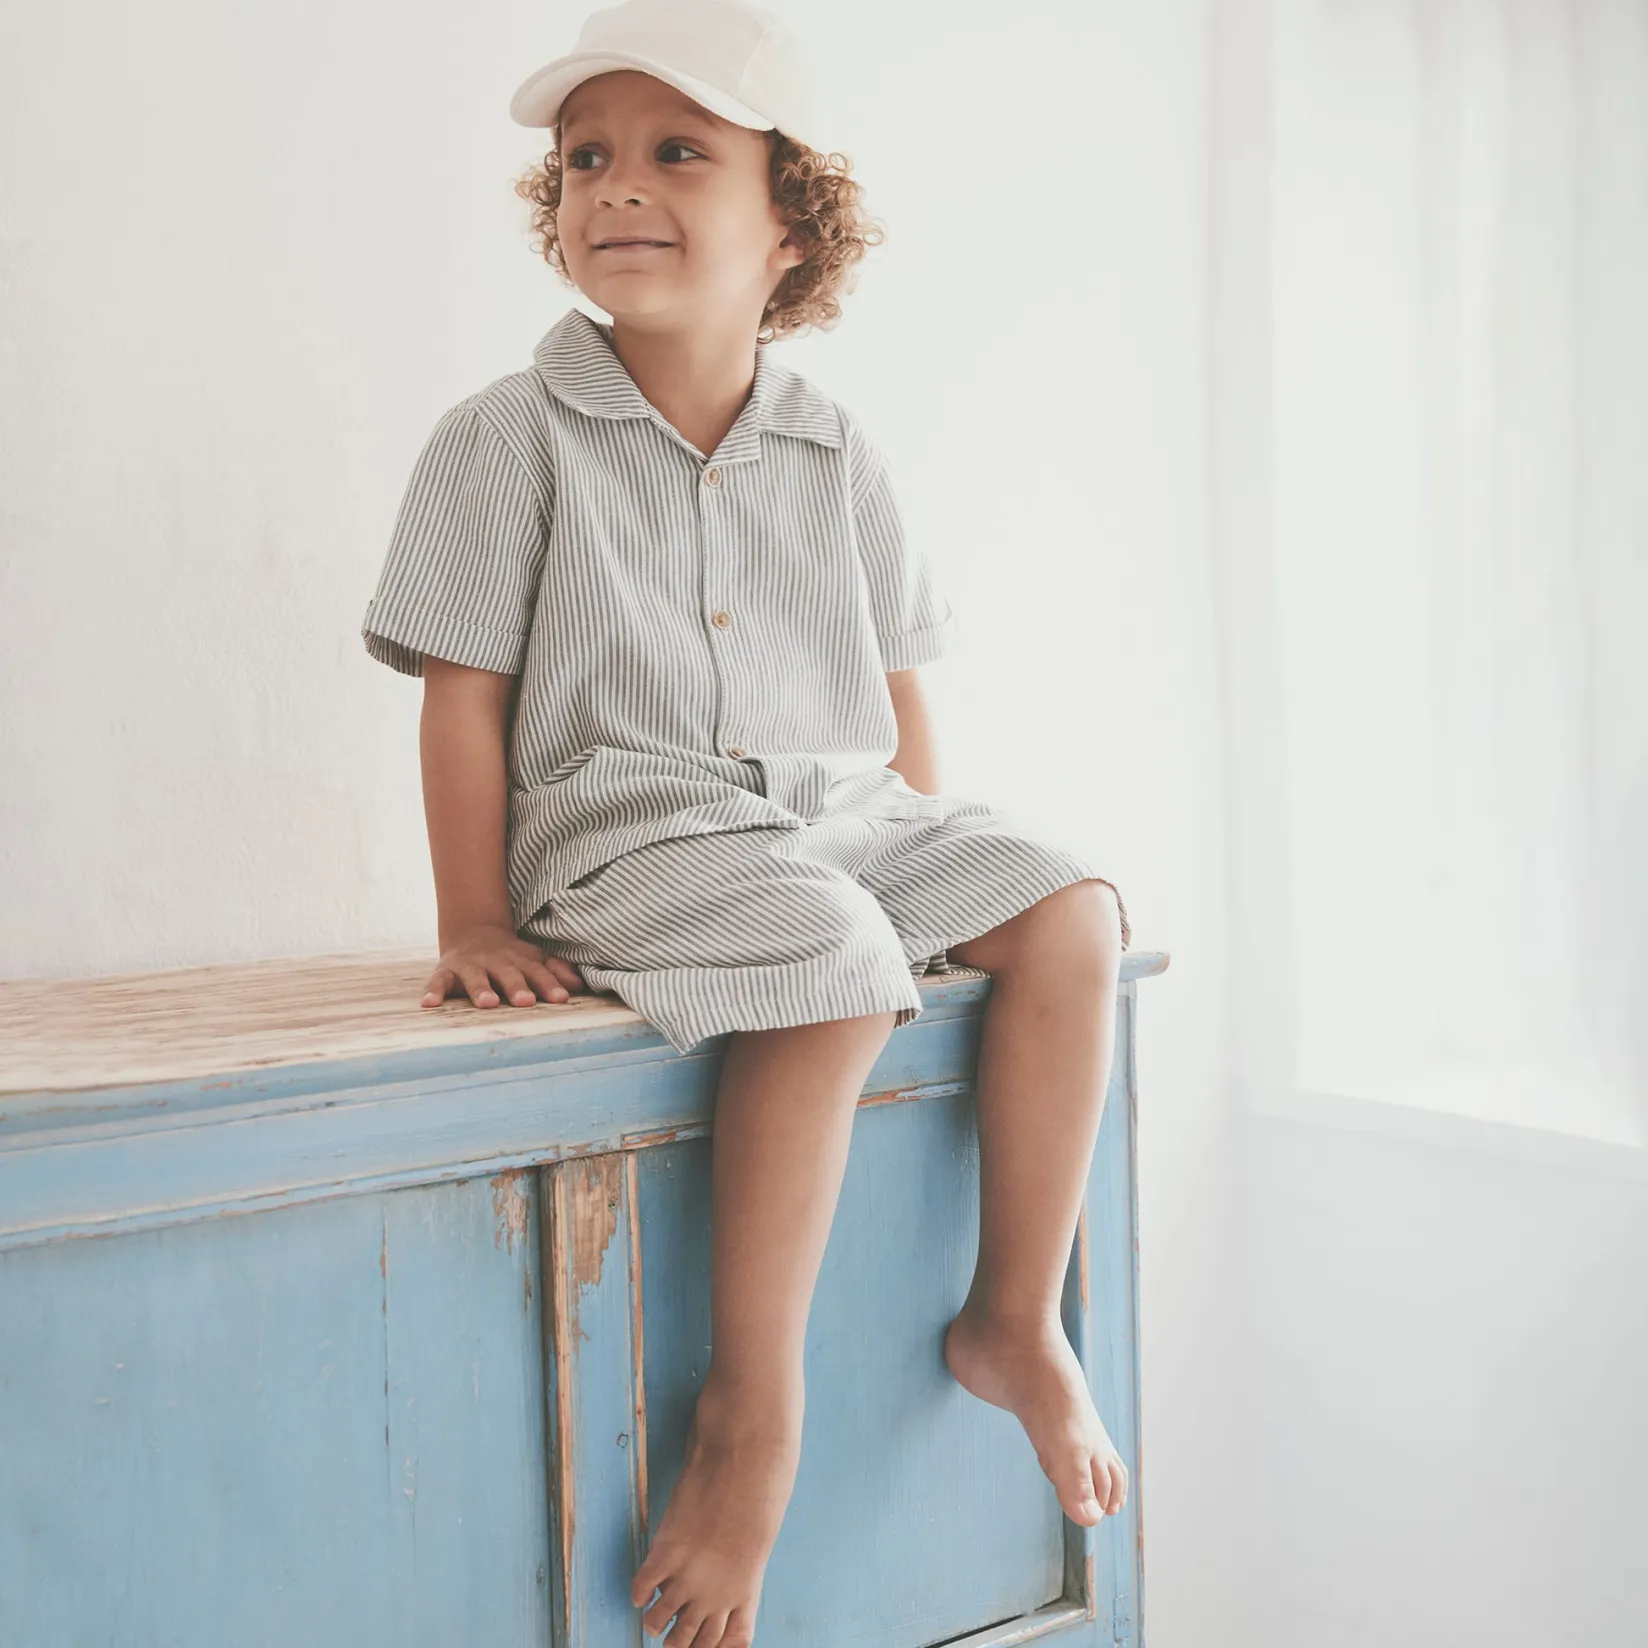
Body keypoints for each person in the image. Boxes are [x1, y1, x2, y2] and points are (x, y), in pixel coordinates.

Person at [361, 2, 1133, 1642]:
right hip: (631, 836)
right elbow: (462, 698)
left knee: (1073, 905)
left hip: (840, 821)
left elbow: (897, 698)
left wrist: (939, 871)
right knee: (833, 953)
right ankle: (752, 1418)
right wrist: (473, 917)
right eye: (585, 160)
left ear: (791, 226)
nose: (616, 185)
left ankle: (1014, 1316)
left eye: (675, 151)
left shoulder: (840, 451)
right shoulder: (506, 437)